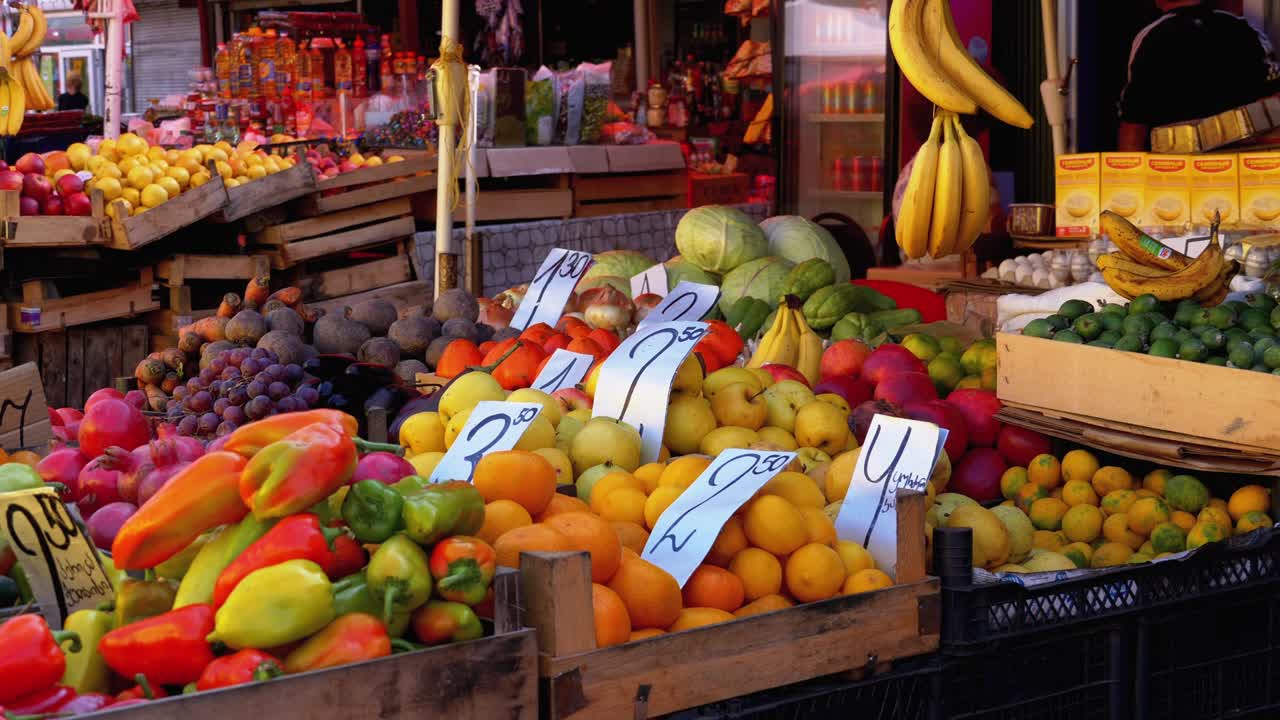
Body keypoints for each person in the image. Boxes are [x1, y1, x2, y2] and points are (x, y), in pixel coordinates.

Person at [1117, 0, 1280, 150]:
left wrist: (1129, 178)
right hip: (1245, 169)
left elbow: (1134, 123)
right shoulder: (1245, 29)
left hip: (1177, 169)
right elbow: (1274, 103)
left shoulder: (1150, 37)